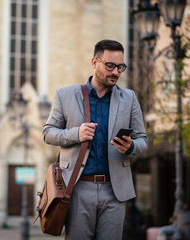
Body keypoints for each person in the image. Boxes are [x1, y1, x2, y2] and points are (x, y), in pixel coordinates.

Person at [42, 39, 148, 240]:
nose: (115, 72)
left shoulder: (130, 98)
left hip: (115, 191)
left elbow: (143, 140)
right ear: (94, 62)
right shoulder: (64, 95)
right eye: (110, 66)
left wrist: (131, 146)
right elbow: (48, 132)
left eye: (120, 67)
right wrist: (76, 134)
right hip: (78, 189)